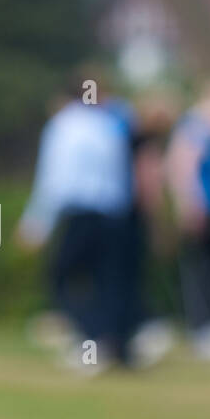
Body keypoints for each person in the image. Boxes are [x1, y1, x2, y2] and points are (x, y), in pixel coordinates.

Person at [18, 89, 138, 369]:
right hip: (113, 213)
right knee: (109, 281)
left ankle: (93, 341)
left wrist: (36, 222)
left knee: (61, 277)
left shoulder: (64, 125)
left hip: (80, 213)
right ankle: (117, 347)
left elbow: (55, 177)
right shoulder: (108, 125)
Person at [166, 79, 210, 360]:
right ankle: (200, 328)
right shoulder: (198, 128)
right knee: (198, 268)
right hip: (199, 208)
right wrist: (190, 205)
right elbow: (181, 166)